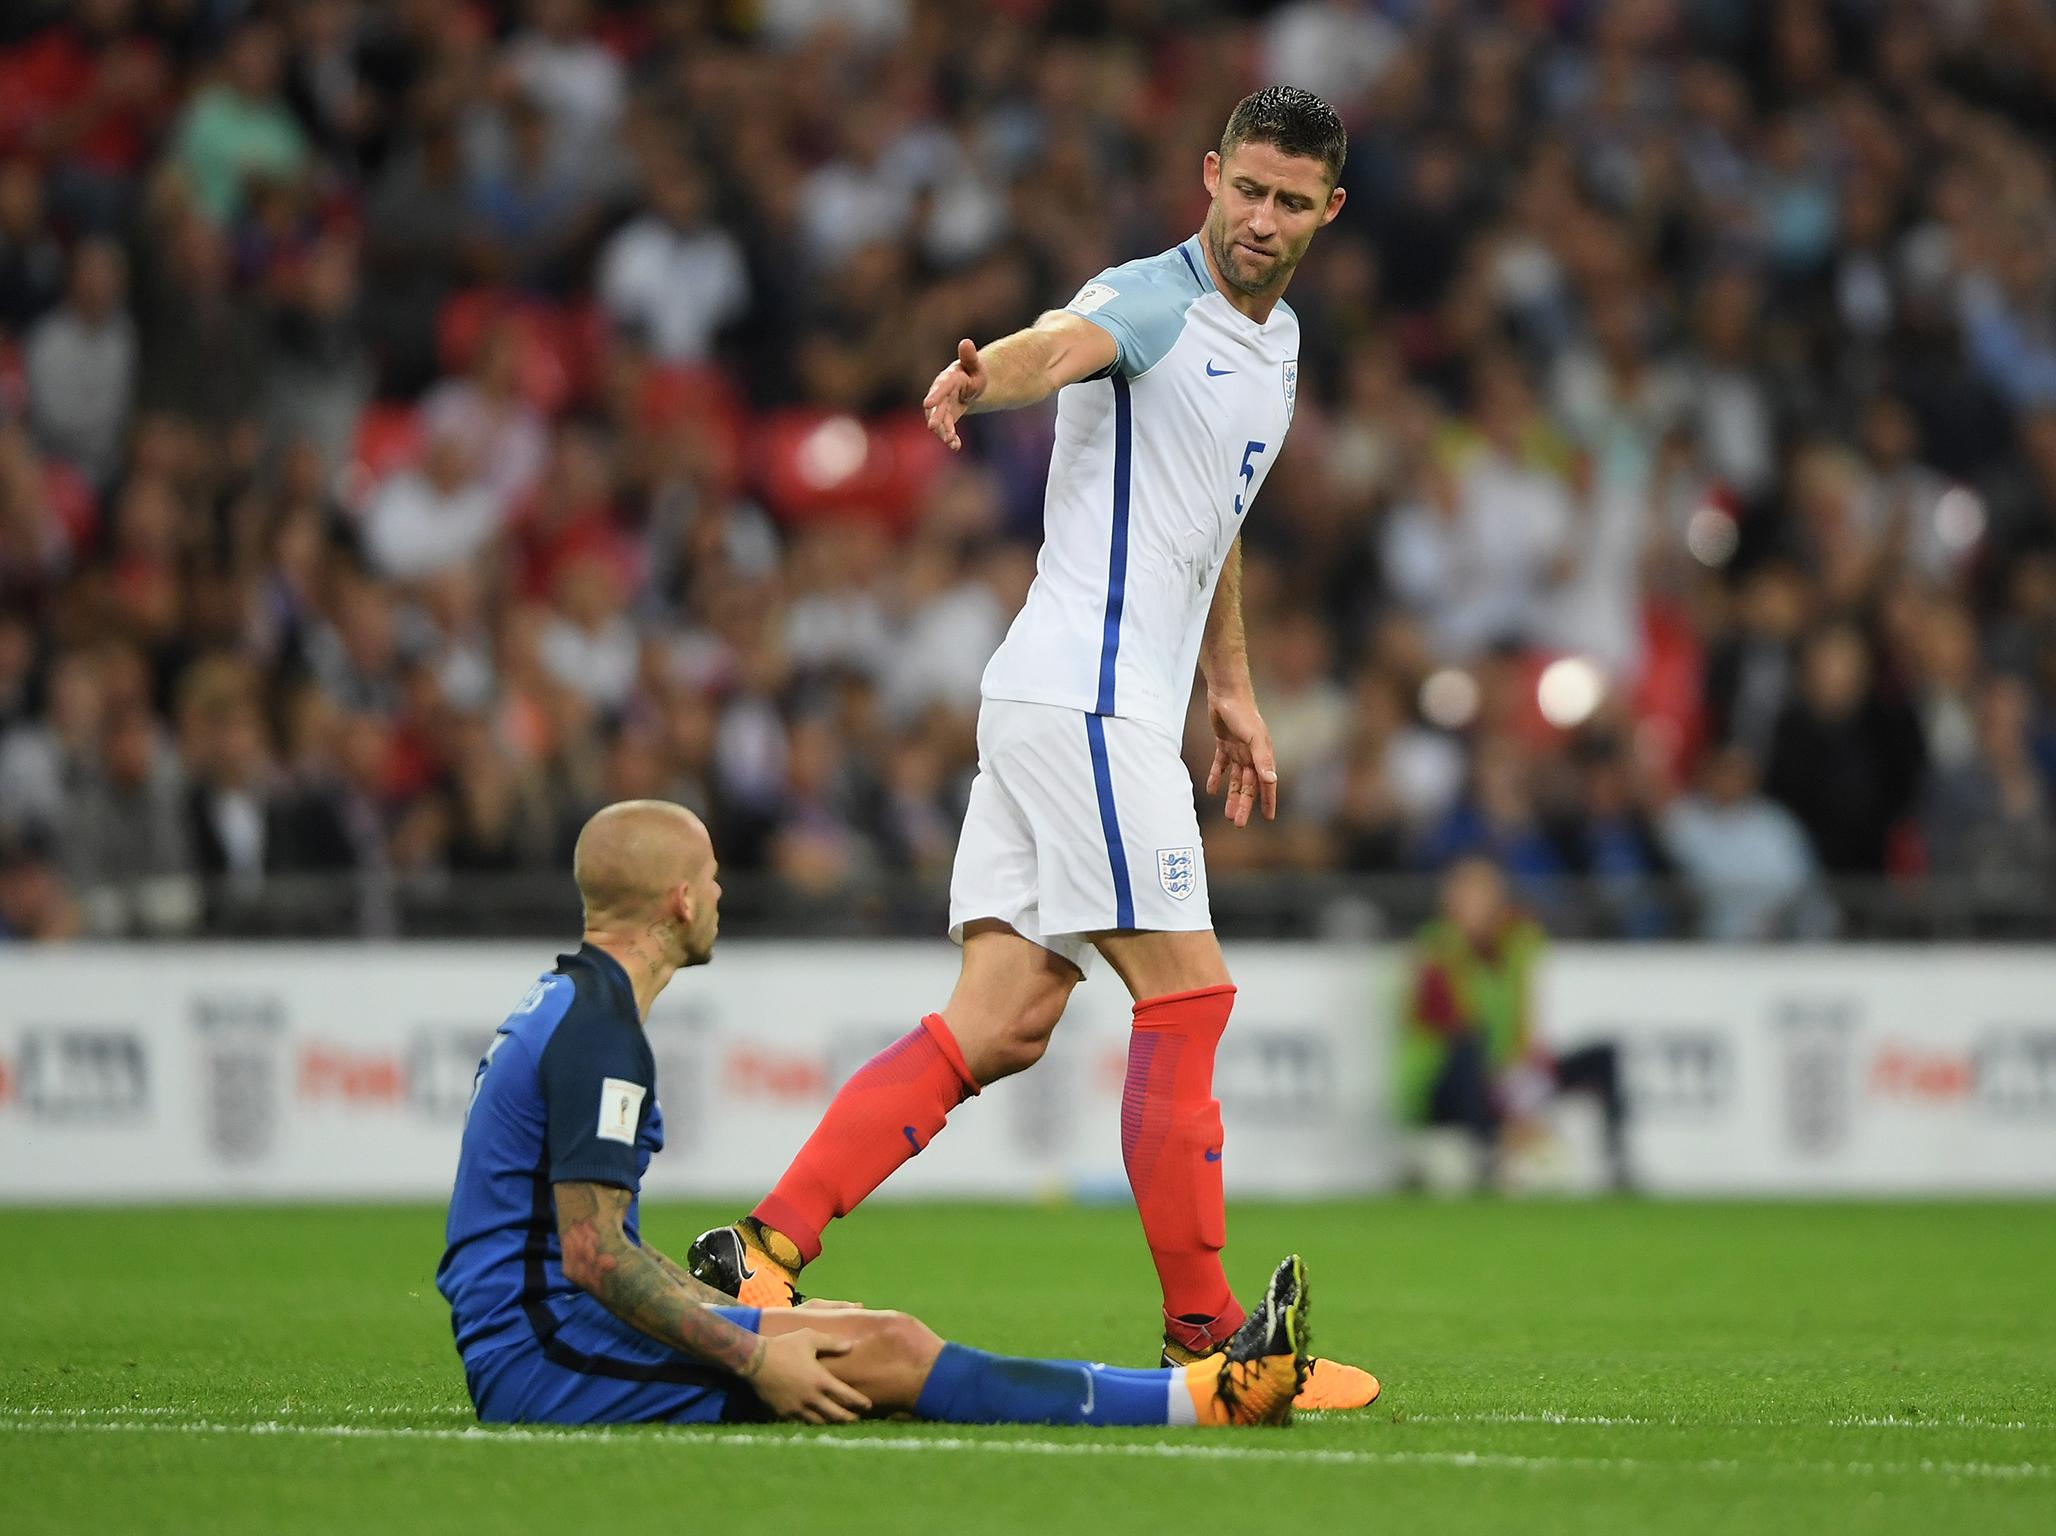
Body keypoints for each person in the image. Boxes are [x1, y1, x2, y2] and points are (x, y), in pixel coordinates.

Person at [683, 87, 1378, 1412]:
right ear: (1210, 173)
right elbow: (1063, 347)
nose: (1263, 220)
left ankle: (763, 1255)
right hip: (1087, 710)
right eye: (1249, 190)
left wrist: (1230, 685)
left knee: (998, 1023)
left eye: (1293, 203)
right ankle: (1209, 1342)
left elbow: (1208, 516)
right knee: (1188, 994)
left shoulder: (1272, 344)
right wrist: (977, 373)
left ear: (1327, 213)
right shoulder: (1150, 298)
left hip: (1067, 705)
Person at [436, 799, 1311, 1428]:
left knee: (862, 1331)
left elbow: (599, 1248)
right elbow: (592, 1256)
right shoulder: (599, 1036)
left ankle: (1203, 1393)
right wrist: (750, 1352)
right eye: (710, 878)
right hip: (547, 1359)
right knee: (886, 1350)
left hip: (544, 1334)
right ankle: (1209, 1400)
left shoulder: (566, 1006)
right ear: (679, 902)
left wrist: (766, 1329)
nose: (719, 894)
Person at [1399, 857, 1630, 1191]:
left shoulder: (1520, 944)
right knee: (1467, 1048)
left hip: (1507, 1074)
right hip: (1447, 1084)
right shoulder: (1437, 949)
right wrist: (1511, 1106)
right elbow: (1450, 1025)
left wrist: (1528, 1088)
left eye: (1478, 895)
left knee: (1604, 1055)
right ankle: (1490, 1156)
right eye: (1463, 896)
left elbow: (1525, 1023)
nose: (1468, 905)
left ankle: (1619, 1162)